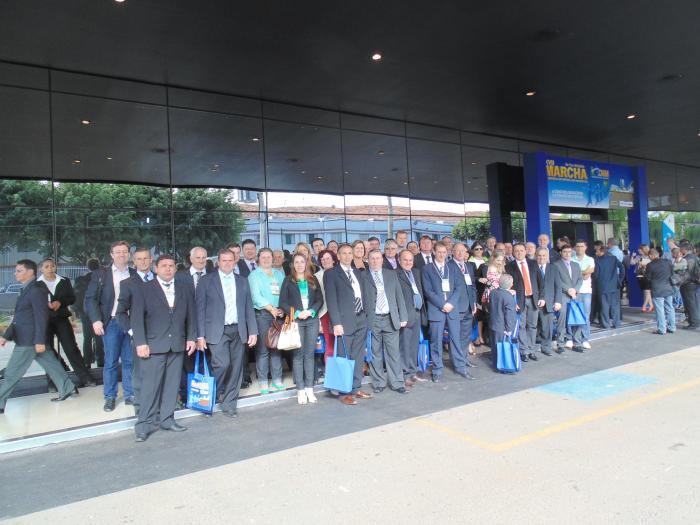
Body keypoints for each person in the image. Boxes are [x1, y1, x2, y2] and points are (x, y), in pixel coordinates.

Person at [131, 254, 196, 442]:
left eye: (171, 265)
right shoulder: (144, 289)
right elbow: (136, 318)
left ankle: (167, 419)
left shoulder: (184, 288)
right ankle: (143, 425)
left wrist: (191, 338)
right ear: (156, 268)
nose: (168, 269)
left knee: (171, 386)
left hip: (176, 345)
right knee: (150, 388)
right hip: (153, 346)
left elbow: (191, 315)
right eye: (164, 266)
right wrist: (141, 343)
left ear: (175, 268)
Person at [0, 260, 78, 414]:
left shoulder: (36, 290)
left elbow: (41, 316)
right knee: (52, 365)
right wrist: (6, 335)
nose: (16, 273)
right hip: (30, 338)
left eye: (19, 270)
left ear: (30, 272)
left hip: (30, 340)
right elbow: (20, 317)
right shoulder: (28, 289)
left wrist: (40, 341)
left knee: (12, 373)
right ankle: (67, 388)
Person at [196, 249, 258, 418]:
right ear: (218, 262)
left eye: (230, 260)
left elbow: (248, 308)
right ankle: (210, 399)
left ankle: (229, 404)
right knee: (222, 364)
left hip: (238, 330)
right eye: (224, 260)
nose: (227, 263)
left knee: (236, 368)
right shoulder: (206, 281)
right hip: (217, 330)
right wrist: (200, 336)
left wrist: (252, 331)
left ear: (235, 262)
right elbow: (199, 310)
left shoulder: (242, 281)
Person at [84, 240, 137, 412]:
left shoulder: (135, 274)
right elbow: (90, 299)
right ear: (112, 255)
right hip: (112, 322)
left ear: (128, 254)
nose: (122, 254)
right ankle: (110, 396)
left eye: (124, 251)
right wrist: (96, 320)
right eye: (118, 252)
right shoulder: (101, 274)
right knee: (111, 361)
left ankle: (130, 394)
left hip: (130, 323)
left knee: (130, 361)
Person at [323, 243, 372, 405]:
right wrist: (336, 323)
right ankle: (344, 392)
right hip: (344, 322)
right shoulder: (331, 274)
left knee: (358, 356)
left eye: (349, 253)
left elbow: (364, 296)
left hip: (360, 320)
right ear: (338, 256)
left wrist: (366, 318)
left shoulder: (358, 273)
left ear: (353, 255)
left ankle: (356, 387)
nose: (346, 256)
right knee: (344, 357)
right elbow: (331, 299)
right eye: (343, 253)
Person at [38, 258, 95, 387]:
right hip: (45, 320)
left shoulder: (64, 281)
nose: (50, 268)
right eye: (46, 266)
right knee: (48, 351)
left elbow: (72, 298)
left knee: (71, 348)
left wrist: (60, 302)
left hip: (61, 318)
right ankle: (53, 381)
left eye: (52, 266)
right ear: (41, 269)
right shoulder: (37, 284)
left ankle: (85, 377)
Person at [115, 247, 155, 416]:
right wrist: (133, 332)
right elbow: (120, 313)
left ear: (151, 260)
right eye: (139, 259)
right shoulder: (128, 284)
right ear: (134, 262)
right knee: (139, 373)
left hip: (161, 334)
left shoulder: (162, 279)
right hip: (140, 336)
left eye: (146, 258)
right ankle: (140, 408)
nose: (143, 262)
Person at [279, 254, 324, 404]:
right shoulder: (288, 280)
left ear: (306, 263)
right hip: (296, 321)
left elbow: (319, 300)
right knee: (298, 356)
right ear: (293, 264)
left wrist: (311, 312)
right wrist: (297, 313)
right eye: (296, 262)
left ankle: (310, 388)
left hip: (311, 320)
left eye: (302, 262)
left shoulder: (313, 279)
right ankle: (300, 390)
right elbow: (283, 303)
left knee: (309, 355)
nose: (299, 264)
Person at [364, 249, 408, 394]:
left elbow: (399, 296)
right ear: (368, 260)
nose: (375, 261)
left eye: (377, 258)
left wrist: (403, 317)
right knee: (375, 353)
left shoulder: (391, 274)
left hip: (390, 318)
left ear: (382, 260)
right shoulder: (363, 276)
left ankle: (397, 383)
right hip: (373, 319)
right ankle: (378, 383)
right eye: (372, 258)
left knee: (393, 353)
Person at [422, 241, 466, 382]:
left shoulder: (452, 268)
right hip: (436, 309)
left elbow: (459, 287)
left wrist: (451, 303)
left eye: (444, 252)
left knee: (455, 339)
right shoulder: (427, 268)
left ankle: (460, 367)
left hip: (452, 309)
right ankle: (437, 370)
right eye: (439, 252)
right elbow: (428, 291)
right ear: (434, 252)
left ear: (447, 253)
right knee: (436, 341)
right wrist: (442, 304)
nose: (441, 254)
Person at [247, 248, 286, 394]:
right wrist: (271, 309)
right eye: (263, 257)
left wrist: (282, 308)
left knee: (276, 348)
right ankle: (263, 381)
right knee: (263, 350)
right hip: (263, 315)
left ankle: (277, 379)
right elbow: (256, 297)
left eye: (268, 257)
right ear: (258, 259)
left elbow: (284, 293)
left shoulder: (279, 274)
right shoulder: (254, 275)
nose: (266, 259)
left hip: (278, 315)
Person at [175, 246, 208, 405]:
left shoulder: (214, 276)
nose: (201, 260)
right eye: (198, 257)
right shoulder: (180, 277)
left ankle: (205, 396)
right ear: (191, 259)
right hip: (186, 327)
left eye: (203, 257)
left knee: (206, 363)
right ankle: (187, 395)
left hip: (209, 327)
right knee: (187, 363)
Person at [396, 249, 426, 386]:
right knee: (405, 346)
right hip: (405, 315)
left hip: (417, 313)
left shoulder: (416, 272)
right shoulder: (395, 274)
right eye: (405, 260)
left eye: (410, 260)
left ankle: (413, 372)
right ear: (399, 260)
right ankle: (404, 374)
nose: (408, 262)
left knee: (414, 345)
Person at [506, 243, 540, 362]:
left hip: (533, 299)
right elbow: (509, 286)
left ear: (526, 251)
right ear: (513, 253)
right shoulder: (509, 266)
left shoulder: (533, 263)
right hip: (519, 300)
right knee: (521, 326)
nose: (519, 253)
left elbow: (540, 281)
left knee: (532, 326)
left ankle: (532, 350)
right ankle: (524, 351)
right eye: (517, 251)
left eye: (521, 250)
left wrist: (542, 297)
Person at [450, 243, 479, 366]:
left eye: (463, 251)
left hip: (468, 307)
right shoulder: (448, 266)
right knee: (455, 337)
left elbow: (472, 286)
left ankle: (463, 359)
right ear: (453, 252)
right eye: (458, 251)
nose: (461, 253)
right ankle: (457, 362)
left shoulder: (468, 266)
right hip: (456, 307)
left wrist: (473, 303)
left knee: (465, 336)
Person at [553, 245, 585, 352]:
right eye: (565, 252)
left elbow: (580, 279)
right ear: (561, 253)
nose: (567, 254)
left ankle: (577, 343)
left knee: (577, 319)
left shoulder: (576, 265)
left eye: (569, 252)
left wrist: (575, 289)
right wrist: (568, 289)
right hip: (563, 295)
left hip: (575, 295)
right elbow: (556, 280)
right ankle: (560, 344)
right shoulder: (556, 265)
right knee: (562, 320)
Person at [73, 258, 103, 368]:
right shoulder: (101, 278)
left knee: (87, 337)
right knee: (99, 337)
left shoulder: (80, 279)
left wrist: (78, 311)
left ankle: (87, 361)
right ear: (99, 265)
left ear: (87, 266)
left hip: (84, 312)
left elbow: (75, 297)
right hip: (98, 312)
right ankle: (100, 360)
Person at [534, 247, 562, 356]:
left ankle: (546, 347)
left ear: (547, 256)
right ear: (536, 256)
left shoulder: (553, 268)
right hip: (534, 302)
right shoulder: (532, 267)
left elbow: (558, 286)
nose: (541, 258)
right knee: (533, 327)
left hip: (549, 303)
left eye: (544, 255)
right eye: (539, 255)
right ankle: (531, 349)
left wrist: (558, 301)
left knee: (547, 327)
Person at [314, 249, 337, 373]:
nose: (325, 261)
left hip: (341, 313)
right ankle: (331, 374)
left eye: (328, 258)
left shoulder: (341, 273)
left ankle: (343, 371)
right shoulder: (316, 277)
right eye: (322, 259)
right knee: (329, 344)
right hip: (325, 314)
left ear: (333, 259)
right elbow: (316, 299)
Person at [488, 274, 517, 369]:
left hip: (493, 324)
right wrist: (509, 329)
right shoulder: (508, 297)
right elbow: (509, 315)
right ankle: (501, 366)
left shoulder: (493, 292)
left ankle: (495, 363)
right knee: (502, 348)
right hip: (502, 327)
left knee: (495, 347)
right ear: (510, 285)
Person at [592, 242, 624, 329]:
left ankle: (606, 324)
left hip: (602, 287)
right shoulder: (613, 259)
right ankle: (616, 323)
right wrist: (620, 279)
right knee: (615, 306)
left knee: (604, 306)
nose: (595, 253)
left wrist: (594, 282)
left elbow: (596, 274)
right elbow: (622, 267)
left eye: (597, 251)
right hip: (614, 286)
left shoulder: (597, 260)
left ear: (601, 251)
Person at [645, 249, 676, 335]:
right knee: (670, 308)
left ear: (651, 256)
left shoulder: (650, 265)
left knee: (660, 310)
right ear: (658, 254)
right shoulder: (668, 262)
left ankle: (662, 329)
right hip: (668, 288)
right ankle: (672, 327)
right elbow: (672, 274)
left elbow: (647, 278)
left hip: (657, 290)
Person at [573, 240, 595, 342]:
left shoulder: (590, 259)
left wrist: (579, 273)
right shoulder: (571, 259)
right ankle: (575, 338)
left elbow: (588, 274)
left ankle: (585, 338)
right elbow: (573, 275)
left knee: (586, 315)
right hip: (575, 291)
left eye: (582, 246)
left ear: (585, 247)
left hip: (586, 291)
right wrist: (583, 272)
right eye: (577, 246)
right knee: (575, 316)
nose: (579, 248)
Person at [679, 241, 699, 329]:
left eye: (680, 249)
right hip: (693, 283)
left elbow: (687, 273)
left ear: (684, 249)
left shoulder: (688, 259)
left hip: (689, 284)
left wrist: (678, 281)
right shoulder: (694, 257)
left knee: (690, 304)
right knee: (693, 303)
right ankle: (694, 322)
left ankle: (694, 323)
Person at [631, 244, 653, 312]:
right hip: (640, 275)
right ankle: (651, 305)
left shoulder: (650, 257)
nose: (638, 250)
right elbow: (632, 263)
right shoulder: (638, 257)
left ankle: (644, 306)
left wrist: (644, 265)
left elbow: (652, 266)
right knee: (646, 291)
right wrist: (632, 256)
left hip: (647, 276)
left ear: (643, 249)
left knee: (647, 291)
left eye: (640, 249)